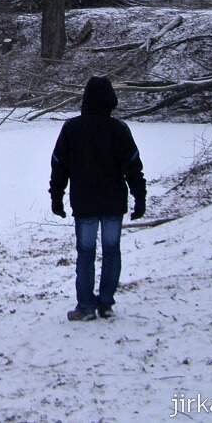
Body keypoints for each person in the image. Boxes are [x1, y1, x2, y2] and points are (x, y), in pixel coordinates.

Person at [49, 76, 146, 322]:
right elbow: (133, 166)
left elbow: (59, 166)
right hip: (113, 202)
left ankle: (85, 306)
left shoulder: (72, 128)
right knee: (112, 251)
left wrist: (57, 197)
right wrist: (139, 197)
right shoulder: (119, 129)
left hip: (84, 202)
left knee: (86, 253)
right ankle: (105, 304)